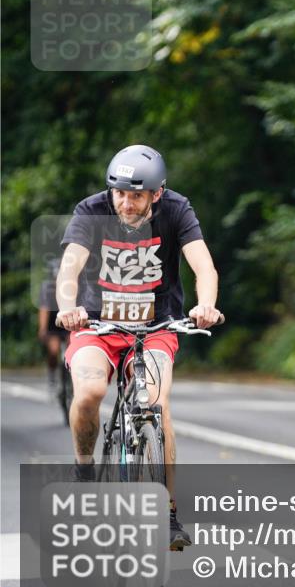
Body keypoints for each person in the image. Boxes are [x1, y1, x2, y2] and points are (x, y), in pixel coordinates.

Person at [55, 144, 223, 551]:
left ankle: (166, 512)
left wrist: (207, 305)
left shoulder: (177, 211)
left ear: (157, 193)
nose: (125, 204)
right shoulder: (92, 211)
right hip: (97, 326)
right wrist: (68, 309)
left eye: (135, 196)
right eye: (119, 194)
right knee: (91, 392)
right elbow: (70, 267)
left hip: (155, 327)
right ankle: (84, 469)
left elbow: (203, 265)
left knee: (156, 404)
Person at [37, 258, 69, 403]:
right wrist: (43, 329)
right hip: (53, 325)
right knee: (54, 350)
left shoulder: (71, 285)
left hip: (68, 323)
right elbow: (43, 309)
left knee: (71, 348)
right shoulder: (47, 288)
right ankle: (52, 378)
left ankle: (72, 379)